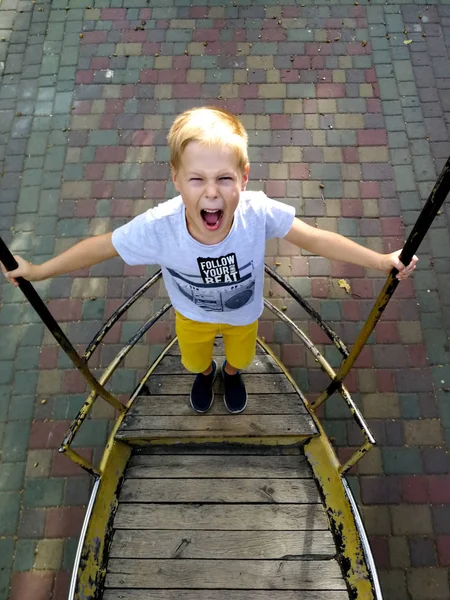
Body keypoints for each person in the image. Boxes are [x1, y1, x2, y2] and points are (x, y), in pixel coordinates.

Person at [1, 106, 417, 415]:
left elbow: (316, 239)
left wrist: (380, 261)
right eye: (197, 178)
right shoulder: (160, 226)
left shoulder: (258, 212)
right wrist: (39, 270)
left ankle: (232, 375)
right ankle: (204, 376)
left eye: (224, 178)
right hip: (191, 317)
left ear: (245, 178)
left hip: (244, 313)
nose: (212, 193)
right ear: (176, 179)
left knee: (239, 355)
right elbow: (101, 246)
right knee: (195, 359)